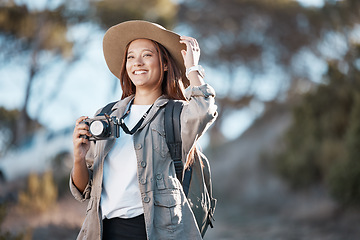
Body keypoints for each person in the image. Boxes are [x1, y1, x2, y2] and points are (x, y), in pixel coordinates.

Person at [70, 20, 217, 240]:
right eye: (130, 57)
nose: (137, 62)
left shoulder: (176, 114)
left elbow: (204, 110)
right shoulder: (107, 114)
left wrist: (192, 68)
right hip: (102, 231)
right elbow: (85, 191)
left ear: (165, 64)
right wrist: (79, 158)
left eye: (147, 55)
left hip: (156, 231)